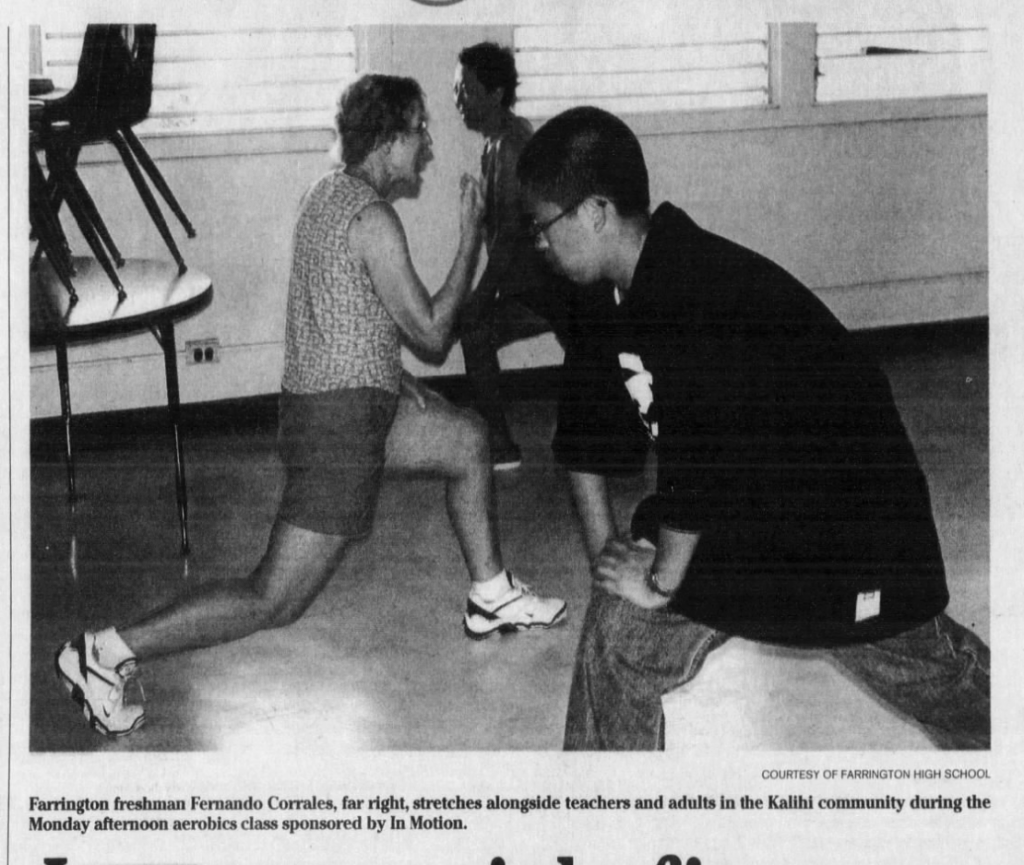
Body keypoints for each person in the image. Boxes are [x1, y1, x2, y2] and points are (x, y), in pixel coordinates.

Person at [54, 74, 567, 738]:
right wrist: (473, 235)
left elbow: (345, 311)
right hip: (341, 427)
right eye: (418, 130)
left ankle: (491, 595)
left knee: (465, 439)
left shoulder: (327, 194)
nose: (428, 144)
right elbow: (436, 331)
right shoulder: (373, 218)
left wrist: (392, 374)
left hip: (339, 407)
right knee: (274, 597)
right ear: (386, 141)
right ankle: (104, 650)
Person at [516, 105, 990, 751]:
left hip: (846, 528)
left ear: (595, 212)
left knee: (936, 679)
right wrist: (613, 564)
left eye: (542, 226)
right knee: (622, 636)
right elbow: (584, 438)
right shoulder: (604, 294)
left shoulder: (699, 289)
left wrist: (657, 580)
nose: (537, 243)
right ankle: (604, 820)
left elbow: (700, 463)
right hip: (742, 510)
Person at [453, 42, 571, 470]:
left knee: (475, 328)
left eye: (466, 90)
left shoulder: (512, 145)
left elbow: (510, 236)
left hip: (552, 285)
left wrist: (481, 297)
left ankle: (500, 447)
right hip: (532, 283)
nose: (458, 100)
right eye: (456, 90)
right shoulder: (495, 144)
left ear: (495, 94)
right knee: (470, 325)